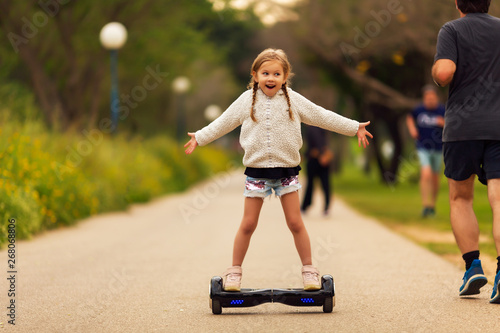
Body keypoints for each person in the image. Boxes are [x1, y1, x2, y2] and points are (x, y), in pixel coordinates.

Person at [184, 48, 372, 291]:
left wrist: (353, 127)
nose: (270, 78)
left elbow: (322, 116)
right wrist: (200, 137)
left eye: (276, 73)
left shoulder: (294, 100)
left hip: (287, 173)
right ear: (255, 75)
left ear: (285, 77)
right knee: (248, 224)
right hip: (257, 174)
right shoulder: (245, 100)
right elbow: (224, 122)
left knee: (295, 222)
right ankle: (234, 273)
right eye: (265, 73)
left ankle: (309, 271)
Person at [432, 0, 500, 303]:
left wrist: (437, 68)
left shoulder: (452, 29)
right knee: (499, 200)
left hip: (463, 128)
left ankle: (473, 265)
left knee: (461, 197)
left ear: (458, 4)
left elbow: (445, 73)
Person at [406, 85, 445, 218]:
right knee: (426, 172)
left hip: (438, 148)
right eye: (427, 98)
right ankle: (425, 205)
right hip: (423, 146)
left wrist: (443, 123)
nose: (430, 100)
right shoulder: (419, 109)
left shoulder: (442, 110)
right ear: (424, 99)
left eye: (432, 98)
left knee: (435, 177)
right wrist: (412, 129)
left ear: (437, 98)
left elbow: (452, 124)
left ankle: (432, 205)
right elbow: (409, 117)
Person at [301, 126, 334, 216]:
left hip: (318, 159)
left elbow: (320, 141)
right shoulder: (316, 126)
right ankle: (307, 205)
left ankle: (307, 206)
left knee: (322, 183)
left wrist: (323, 154)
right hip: (314, 158)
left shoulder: (316, 126)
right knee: (315, 184)